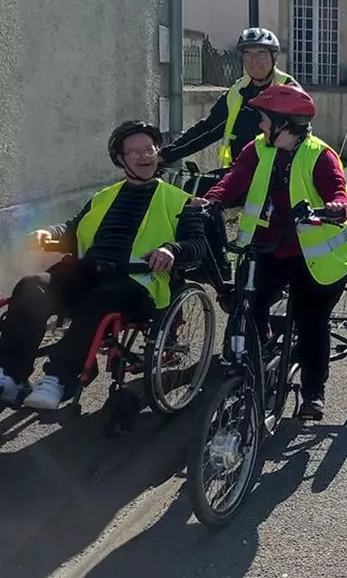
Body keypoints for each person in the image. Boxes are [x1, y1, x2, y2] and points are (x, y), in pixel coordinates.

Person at [0, 122, 207, 409]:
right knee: (32, 285)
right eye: (133, 151)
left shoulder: (180, 201)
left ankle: (59, 378)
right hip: (89, 271)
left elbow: (197, 244)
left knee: (102, 299)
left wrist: (171, 249)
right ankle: (10, 376)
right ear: (120, 159)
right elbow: (74, 229)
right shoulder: (103, 197)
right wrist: (52, 234)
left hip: (137, 283)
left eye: (149, 149)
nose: (143, 156)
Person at [191, 83, 347, 420]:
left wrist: (335, 207)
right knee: (247, 305)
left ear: (285, 123)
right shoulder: (258, 149)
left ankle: (312, 392)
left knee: (311, 322)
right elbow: (235, 179)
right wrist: (212, 200)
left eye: (265, 119)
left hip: (314, 257)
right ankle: (256, 357)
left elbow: (338, 191)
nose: (261, 125)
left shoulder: (319, 155)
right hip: (267, 247)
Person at [158, 28, 299, 188]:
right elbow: (208, 129)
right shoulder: (238, 90)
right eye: (248, 54)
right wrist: (166, 155)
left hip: (278, 174)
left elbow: (298, 135)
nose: (254, 61)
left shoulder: (288, 89)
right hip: (240, 171)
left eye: (261, 54)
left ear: (274, 57)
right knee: (195, 187)